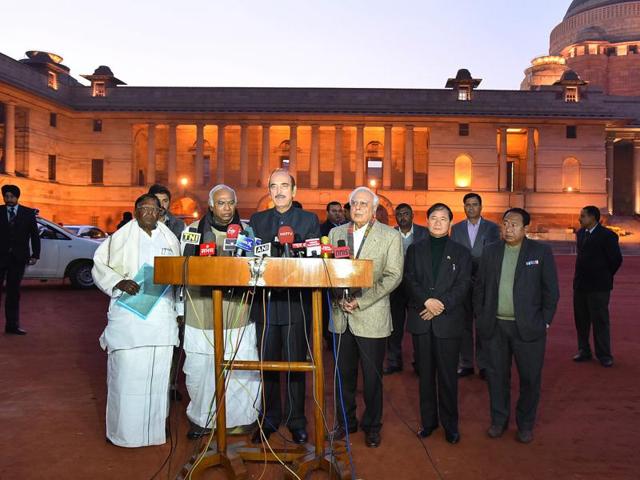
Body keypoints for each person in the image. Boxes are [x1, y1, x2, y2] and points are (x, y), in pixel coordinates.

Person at [92, 193, 182, 447]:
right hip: (131, 317)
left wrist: (179, 309)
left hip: (161, 317)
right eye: (144, 208)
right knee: (126, 376)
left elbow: (177, 273)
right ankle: (123, 432)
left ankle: (153, 431)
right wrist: (117, 282)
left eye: (155, 209)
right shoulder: (122, 235)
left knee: (157, 375)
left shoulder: (169, 237)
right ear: (135, 210)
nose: (150, 213)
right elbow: (99, 264)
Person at [180, 184, 261, 439]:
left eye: (230, 203)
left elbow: (254, 266)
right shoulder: (193, 231)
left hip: (236, 309)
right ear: (212, 206)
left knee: (238, 363)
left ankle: (240, 418)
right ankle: (203, 419)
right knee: (201, 366)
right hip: (201, 308)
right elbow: (183, 267)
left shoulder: (246, 232)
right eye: (221, 203)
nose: (226, 208)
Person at [474, 208, 559, 444]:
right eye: (505, 224)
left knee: (530, 379)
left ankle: (525, 425)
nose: (508, 229)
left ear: (525, 228)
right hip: (495, 327)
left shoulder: (540, 252)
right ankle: (499, 421)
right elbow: (479, 288)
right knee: (496, 377)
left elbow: (551, 290)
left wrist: (545, 321)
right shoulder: (490, 252)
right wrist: (481, 317)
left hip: (529, 329)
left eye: (513, 225)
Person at [249, 169, 321, 445]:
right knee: (266, 365)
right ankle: (268, 418)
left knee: (295, 366)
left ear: (294, 190)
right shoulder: (257, 220)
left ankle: (296, 420)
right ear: (268, 190)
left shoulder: (309, 220)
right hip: (265, 306)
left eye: (284, 186)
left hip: (296, 306)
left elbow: (313, 262)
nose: (279, 191)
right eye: (273, 186)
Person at [328, 187, 403, 448]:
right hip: (340, 316)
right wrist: (337, 296)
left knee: (372, 379)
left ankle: (373, 425)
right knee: (342, 376)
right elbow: (328, 270)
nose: (358, 208)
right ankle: (345, 422)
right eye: (354, 204)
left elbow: (394, 275)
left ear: (373, 209)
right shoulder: (335, 233)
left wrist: (361, 301)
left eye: (364, 204)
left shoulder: (389, 236)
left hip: (371, 316)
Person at [404, 203, 471, 444]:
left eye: (443, 218)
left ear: (450, 223)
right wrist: (426, 302)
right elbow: (409, 280)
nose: (438, 222)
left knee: (447, 377)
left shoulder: (461, 252)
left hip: (447, 321)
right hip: (422, 320)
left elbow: (463, 285)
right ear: (427, 220)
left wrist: (439, 305)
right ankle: (429, 422)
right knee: (425, 376)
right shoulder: (414, 249)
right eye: (434, 217)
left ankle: (450, 425)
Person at [450, 193, 501, 379]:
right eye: (468, 205)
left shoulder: (492, 228)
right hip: (462, 283)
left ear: (481, 207)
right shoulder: (456, 229)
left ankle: (484, 364)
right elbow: (454, 254)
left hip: (484, 283)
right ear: (464, 207)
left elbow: (493, 254)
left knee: (482, 325)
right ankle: (466, 363)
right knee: (464, 325)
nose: (471, 208)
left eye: (474, 204)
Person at [572, 206, 622, 367]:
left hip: (599, 287)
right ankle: (584, 350)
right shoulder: (580, 233)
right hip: (580, 285)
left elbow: (616, 260)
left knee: (600, 321)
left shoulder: (608, 236)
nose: (580, 219)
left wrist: (605, 275)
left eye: (583, 216)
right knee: (581, 321)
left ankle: (604, 354)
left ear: (593, 217)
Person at [384, 203, 428, 375]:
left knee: (418, 325)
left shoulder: (424, 233)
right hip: (395, 287)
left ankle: (420, 362)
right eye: (399, 214)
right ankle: (394, 361)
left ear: (412, 215)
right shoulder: (390, 234)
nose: (403, 217)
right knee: (394, 326)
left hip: (417, 286)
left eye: (406, 214)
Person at [1, 184, 40, 335]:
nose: (8, 199)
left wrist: (35, 254)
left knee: (13, 292)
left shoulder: (28, 213)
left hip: (18, 258)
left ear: (17, 197)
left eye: (11, 196)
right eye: (6, 196)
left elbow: (35, 235)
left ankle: (12, 326)